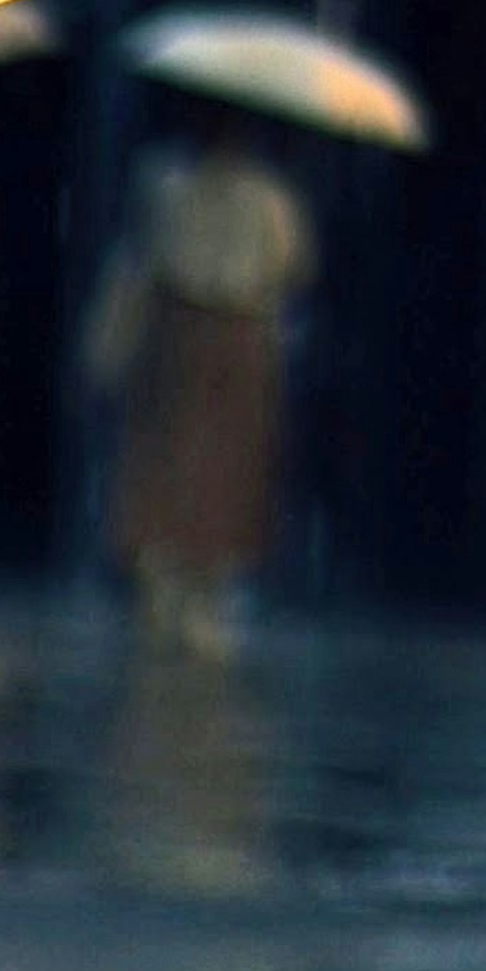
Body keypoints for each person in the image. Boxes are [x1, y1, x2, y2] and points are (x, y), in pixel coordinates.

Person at [93, 123, 318, 649]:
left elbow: (144, 255)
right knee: (219, 457)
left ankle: (171, 575)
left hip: (185, 327)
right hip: (235, 329)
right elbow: (295, 265)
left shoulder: (166, 182)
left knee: (177, 450)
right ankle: (197, 581)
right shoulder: (271, 197)